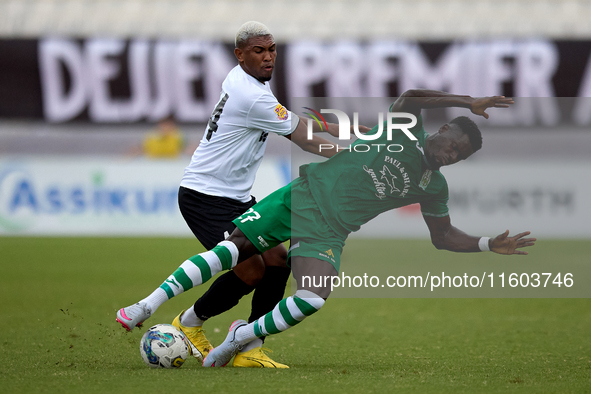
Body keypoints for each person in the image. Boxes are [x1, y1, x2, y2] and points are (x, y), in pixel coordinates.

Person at [121, 88, 536, 367]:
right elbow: (411, 96)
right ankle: (147, 305)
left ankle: (239, 338)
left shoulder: (434, 186)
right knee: (235, 251)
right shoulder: (404, 128)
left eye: (460, 156)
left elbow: (443, 237)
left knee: (313, 298)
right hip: (302, 196)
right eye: (453, 145)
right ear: (443, 130)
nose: (452, 155)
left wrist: (485, 244)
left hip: (329, 231)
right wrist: (467, 100)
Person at [117, 21, 363, 369]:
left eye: (272, 49)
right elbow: (305, 139)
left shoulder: (243, 81)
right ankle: (187, 322)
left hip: (233, 195)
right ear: (240, 54)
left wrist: (357, 132)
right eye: (259, 51)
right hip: (205, 195)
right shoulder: (253, 96)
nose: (268, 57)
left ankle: (248, 345)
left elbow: (300, 122)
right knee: (250, 271)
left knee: (278, 260)